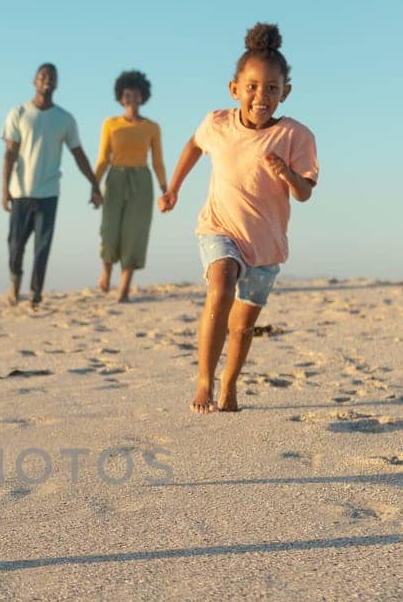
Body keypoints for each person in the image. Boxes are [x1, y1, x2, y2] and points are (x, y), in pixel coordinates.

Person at [159, 23, 318, 413]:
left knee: (242, 325)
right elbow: (193, 146)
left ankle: (229, 386)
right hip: (220, 228)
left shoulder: (296, 136)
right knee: (221, 285)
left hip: (265, 245)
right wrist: (174, 187)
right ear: (235, 89)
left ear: (285, 92)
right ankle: (204, 382)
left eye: (271, 88)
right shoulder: (217, 124)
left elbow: (305, 192)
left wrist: (288, 175)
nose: (260, 96)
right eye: (252, 87)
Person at [1, 64, 102, 308]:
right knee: (15, 245)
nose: (47, 80)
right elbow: (9, 154)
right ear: (34, 81)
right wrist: (4, 189)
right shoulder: (19, 113)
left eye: (52, 77)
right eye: (43, 76)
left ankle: (35, 294)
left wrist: (95, 184)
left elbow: (78, 154)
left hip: (49, 193)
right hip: (21, 192)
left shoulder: (64, 119)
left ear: (56, 84)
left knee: (42, 248)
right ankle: (15, 284)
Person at [94, 69, 167, 300]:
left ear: (142, 96)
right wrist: (94, 185)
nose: (131, 99)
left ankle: (124, 289)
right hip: (115, 178)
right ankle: (106, 272)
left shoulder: (152, 127)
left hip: (142, 182)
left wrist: (166, 188)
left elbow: (157, 161)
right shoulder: (111, 124)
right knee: (109, 229)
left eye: (135, 94)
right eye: (127, 94)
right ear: (120, 96)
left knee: (134, 233)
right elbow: (103, 158)